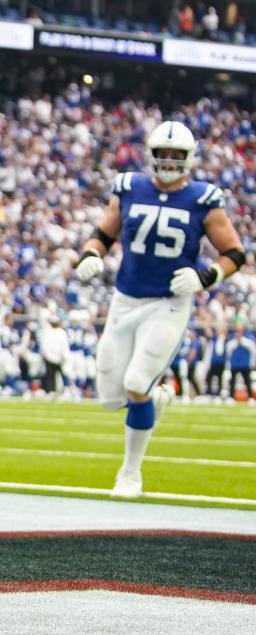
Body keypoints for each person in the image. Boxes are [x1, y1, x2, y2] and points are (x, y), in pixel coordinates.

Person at [75, 120, 245, 498]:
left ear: (189, 158)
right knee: (110, 396)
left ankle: (130, 474)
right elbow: (104, 233)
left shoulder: (203, 198)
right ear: (151, 154)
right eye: (163, 153)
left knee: (137, 383)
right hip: (125, 298)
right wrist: (89, 255)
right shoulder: (130, 186)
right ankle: (158, 398)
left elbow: (235, 252)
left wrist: (206, 277)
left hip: (168, 302)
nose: (168, 160)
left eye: (176, 155)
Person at [226, 320, 255, 402]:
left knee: (247, 381)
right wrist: (236, 340)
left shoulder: (248, 336)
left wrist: (241, 339)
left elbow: (251, 347)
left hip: (245, 363)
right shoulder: (232, 336)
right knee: (232, 381)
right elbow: (228, 347)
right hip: (234, 363)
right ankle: (231, 396)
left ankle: (250, 397)